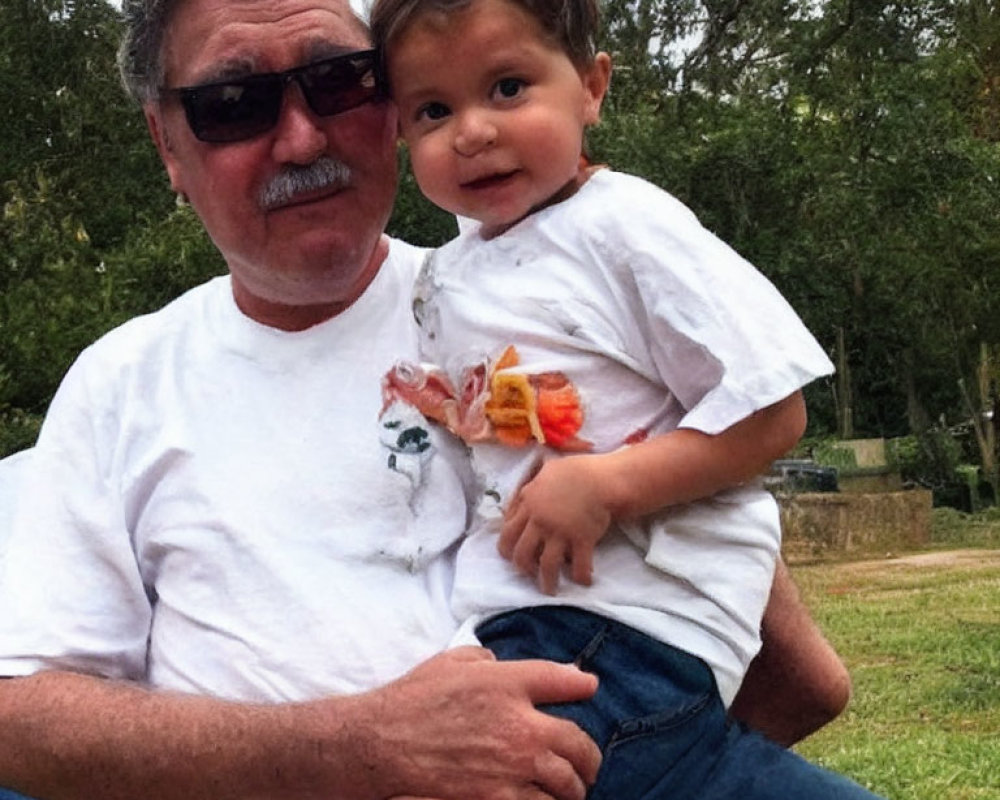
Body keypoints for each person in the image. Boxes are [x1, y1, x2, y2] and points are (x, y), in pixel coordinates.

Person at [0, 0, 845, 797]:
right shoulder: (123, 386)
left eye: (339, 80)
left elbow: (802, 679)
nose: (300, 139)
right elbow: (21, 720)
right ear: (167, 146)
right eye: (233, 102)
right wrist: (361, 746)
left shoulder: (540, 301)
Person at [370, 0, 884, 796]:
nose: (471, 130)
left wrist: (605, 485)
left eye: (508, 87)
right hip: (554, 633)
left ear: (591, 87)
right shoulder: (449, 275)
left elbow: (773, 412)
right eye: (433, 110)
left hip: (612, 633)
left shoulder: (626, 226)